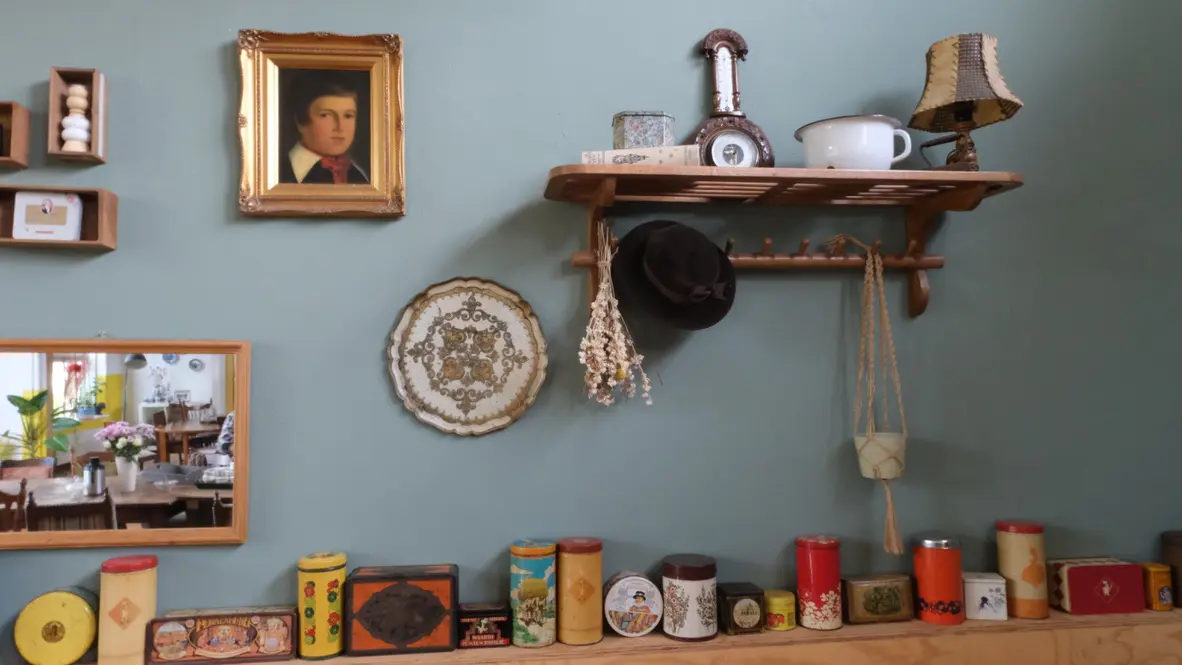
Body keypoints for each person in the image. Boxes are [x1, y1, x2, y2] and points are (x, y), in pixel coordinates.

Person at [279, 71, 369, 185]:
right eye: (326, 115)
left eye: (348, 115)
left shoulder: (359, 176)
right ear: (300, 121)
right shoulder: (277, 173)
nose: (340, 127)